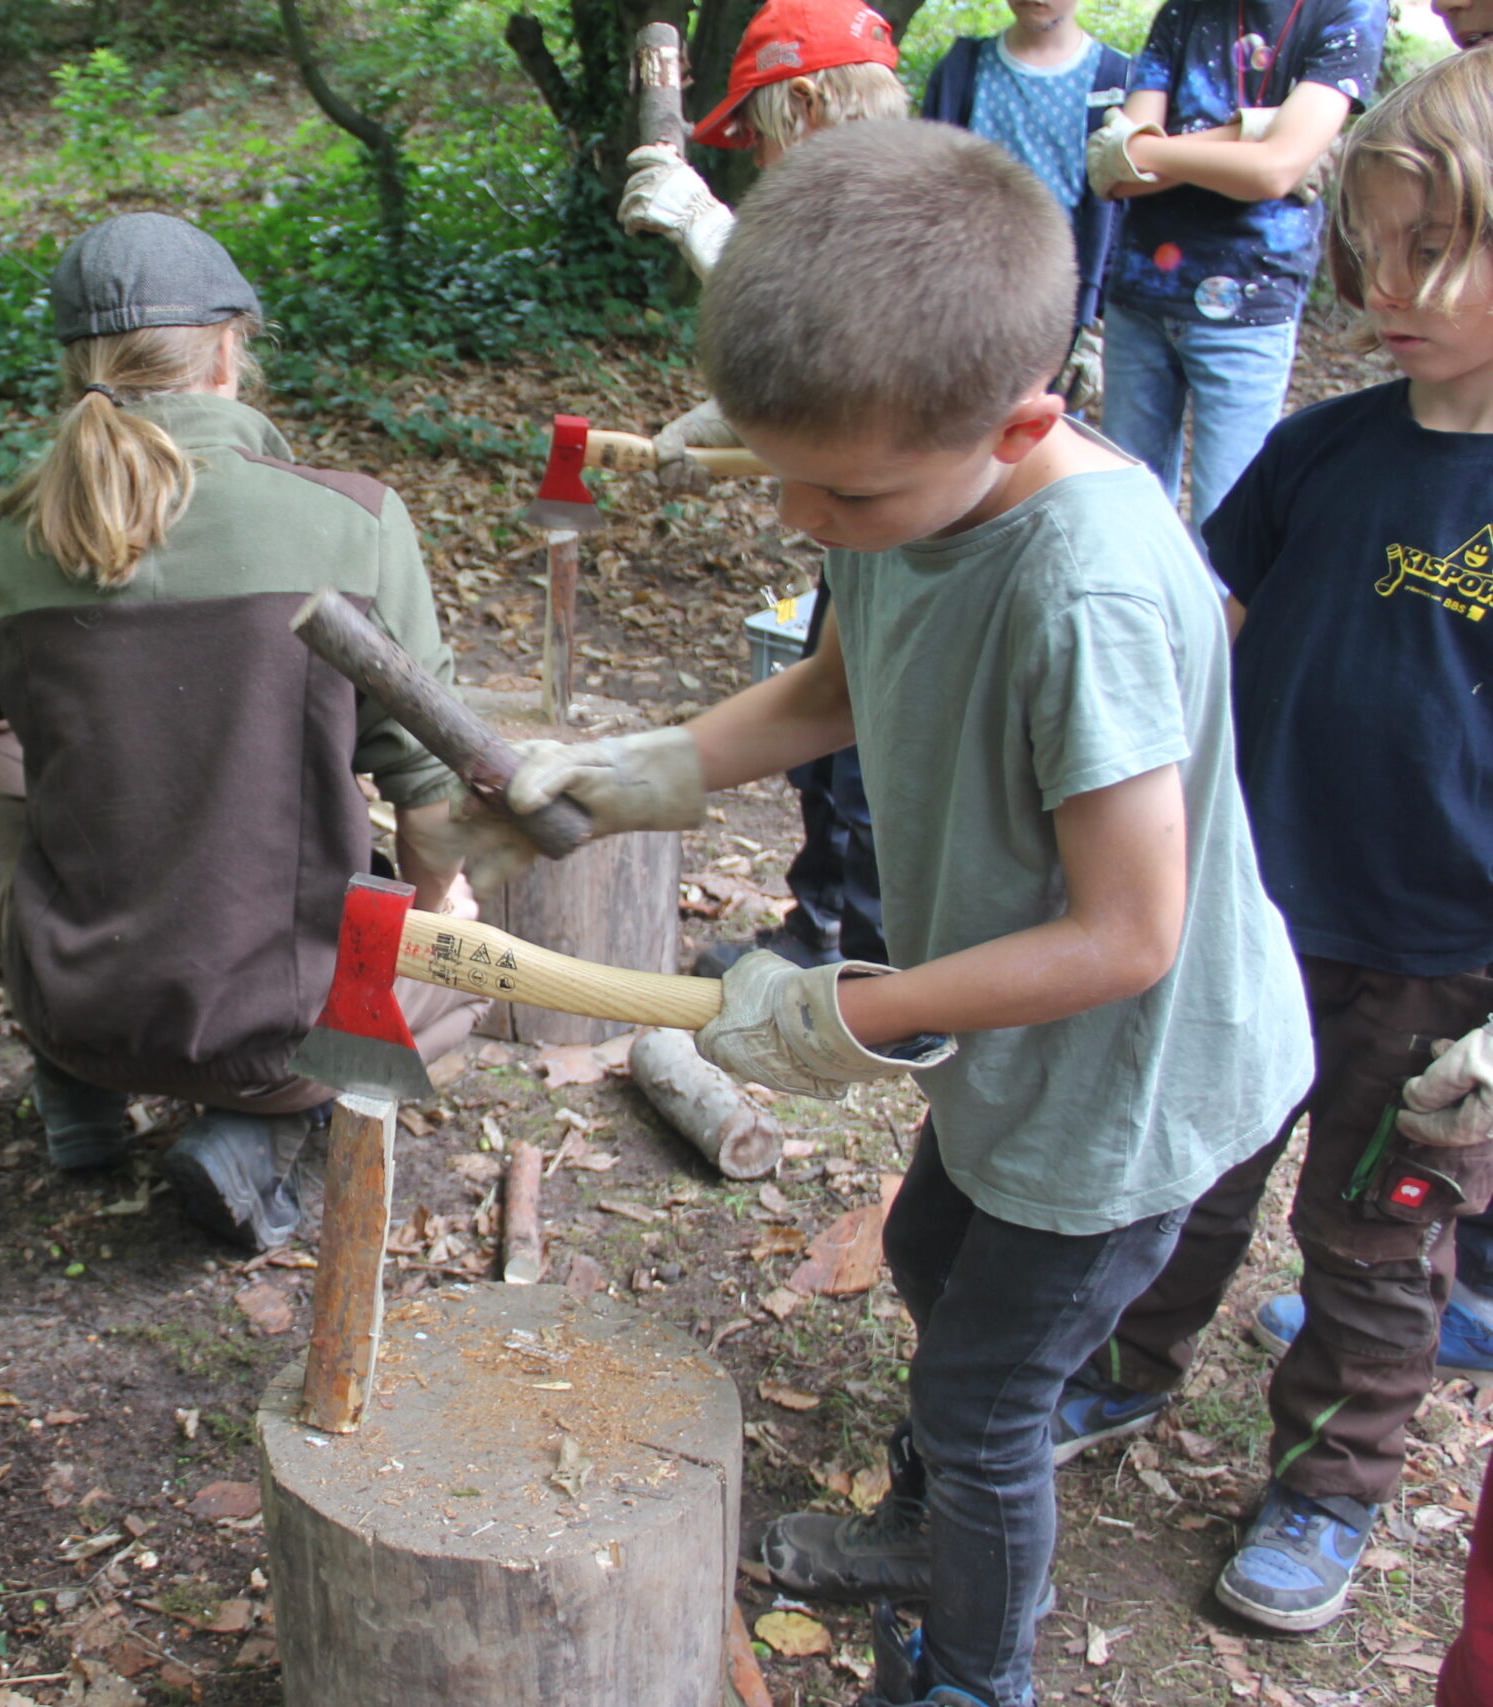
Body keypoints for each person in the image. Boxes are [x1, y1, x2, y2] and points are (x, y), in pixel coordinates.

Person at [508, 121, 1309, 1707]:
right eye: (786, 471)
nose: (806, 521)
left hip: (1130, 1080)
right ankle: (926, 1533)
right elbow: (838, 679)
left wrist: (835, 1010)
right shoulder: (904, 495)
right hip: (1017, 1051)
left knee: (989, 1398)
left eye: (842, 492)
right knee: (944, 1260)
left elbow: (1131, 930)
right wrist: (630, 772)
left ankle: (975, 1671)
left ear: (1023, 420)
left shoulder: (1087, 587)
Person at [1044, 48, 1493, 1636]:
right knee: (1190, 1164)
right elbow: (1211, 627)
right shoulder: (1326, 447)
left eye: (1440, 252)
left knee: (1375, 1249)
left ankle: (1328, 1482)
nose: (1396, 287)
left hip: (1442, 969)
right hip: (1250, 901)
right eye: (1375, 250)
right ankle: (1123, 1363)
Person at [0, 213, 489, 1252]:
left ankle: (74, 1081)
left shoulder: (19, 534)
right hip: (291, 1042)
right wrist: (441, 908)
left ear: (79, 370)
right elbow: (425, 778)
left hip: (82, 1016)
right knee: (463, 976)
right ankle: (254, 1129)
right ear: (229, 349)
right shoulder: (350, 521)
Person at [616, 0, 907, 975]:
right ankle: (814, 929)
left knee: (872, 755)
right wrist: (714, 426)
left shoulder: (909, 195)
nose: (764, 164)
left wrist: (705, 226)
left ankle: (872, 964)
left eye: (766, 135)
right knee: (825, 754)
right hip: (860, 546)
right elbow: (807, 372)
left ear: (815, 101)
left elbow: (846, 341)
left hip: (923, 550)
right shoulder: (828, 206)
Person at [1085, 0, 1385, 530]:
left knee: (1226, 529)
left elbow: (1272, 170)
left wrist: (1159, 151)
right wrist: (1255, 132)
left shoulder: (1347, 10)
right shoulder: (1184, 10)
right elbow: (1119, 171)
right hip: (1140, 297)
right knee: (1122, 519)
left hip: (1251, 306)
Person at [920, 0, 1132, 415]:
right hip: (968, 307)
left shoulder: (1118, 79)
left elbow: (1123, 217)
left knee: (1045, 443)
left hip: (1063, 308)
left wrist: (1097, 325)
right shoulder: (962, 70)